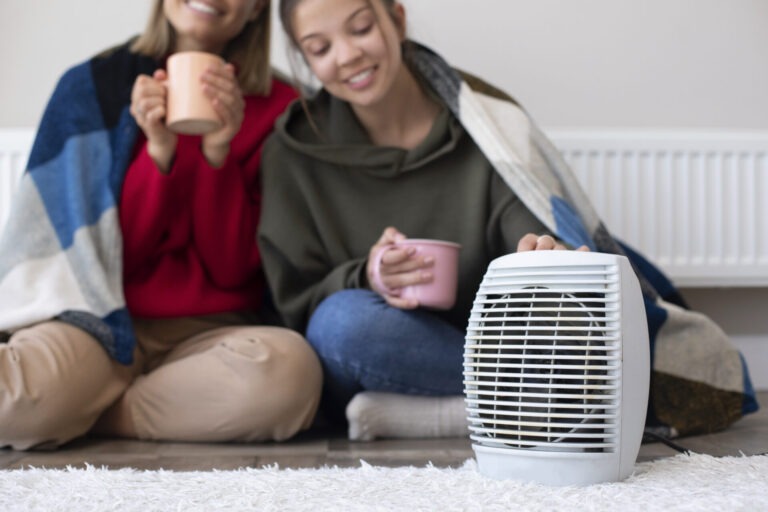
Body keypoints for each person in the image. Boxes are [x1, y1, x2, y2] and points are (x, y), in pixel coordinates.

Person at [259, 0, 758, 441]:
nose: (346, 55)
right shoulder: (294, 154)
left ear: (396, 19)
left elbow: (532, 223)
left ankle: (458, 413)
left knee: (596, 311)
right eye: (320, 47)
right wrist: (366, 275)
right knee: (344, 324)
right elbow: (297, 306)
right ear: (306, 60)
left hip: (502, 339)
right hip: (387, 349)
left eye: (361, 27)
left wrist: (548, 256)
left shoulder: (485, 123)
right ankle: (530, 406)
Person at [0, 0, 322, 451]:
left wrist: (216, 155)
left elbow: (231, 269)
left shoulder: (286, 110)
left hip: (213, 335)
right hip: (93, 320)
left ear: (254, 9)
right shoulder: (92, 88)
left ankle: (87, 413)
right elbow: (101, 259)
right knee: (10, 399)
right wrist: (158, 154)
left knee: (291, 376)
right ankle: (78, 403)